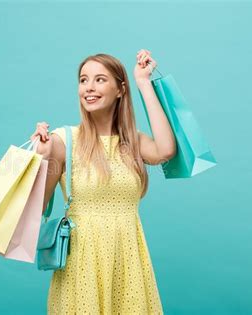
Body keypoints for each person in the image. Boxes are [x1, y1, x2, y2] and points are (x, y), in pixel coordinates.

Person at [29, 49, 176, 314]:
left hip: (127, 259)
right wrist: (44, 159)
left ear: (120, 89)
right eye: (83, 80)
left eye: (99, 79)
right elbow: (37, 208)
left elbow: (166, 150)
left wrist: (143, 82)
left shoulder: (133, 142)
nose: (89, 87)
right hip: (82, 263)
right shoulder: (64, 140)